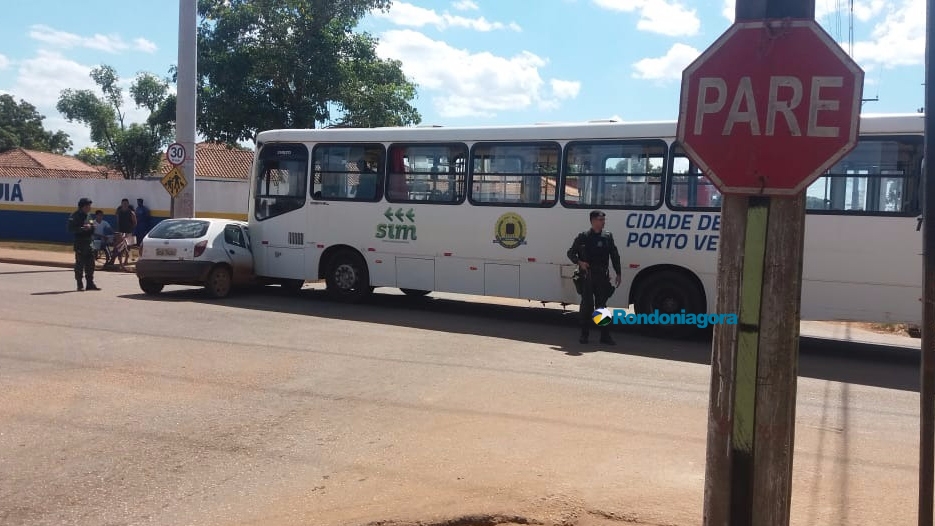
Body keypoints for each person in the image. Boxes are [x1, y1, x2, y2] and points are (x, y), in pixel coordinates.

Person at [567, 210, 621, 344]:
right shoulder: (583, 236)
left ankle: (605, 336)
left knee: (602, 306)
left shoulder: (607, 237)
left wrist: (618, 273)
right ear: (593, 221)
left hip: (602, 276)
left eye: (604, 220)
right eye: (600, 220)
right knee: (587, 306)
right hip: (587, 276)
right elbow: (571, 253)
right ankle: (584, 334)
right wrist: (580, 262)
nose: (603, 222)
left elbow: (614, 255)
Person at [67, 197, 100, 291]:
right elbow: (70, 229)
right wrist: (82, 229)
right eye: (88, 206)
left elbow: (91, 225)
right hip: (80, 243)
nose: (90, 207)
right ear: (83, 206)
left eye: (90, 205)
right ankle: (79, 284)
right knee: (80, 264)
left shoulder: (88, 215)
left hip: (89, 243)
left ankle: (90, 283)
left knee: (91, 264)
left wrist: (92, 227)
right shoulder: (75, 215)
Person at [114, 198, 136, 270]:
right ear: (121, 204)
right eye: (123, 203)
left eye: (126, 203)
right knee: (120, 248)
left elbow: (135, 222)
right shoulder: (119, 212)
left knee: (128, 248)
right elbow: (117, 222)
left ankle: (126, 260)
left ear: (128, 204)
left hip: (129, 232)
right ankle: (120, 263)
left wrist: (130, 229)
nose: (125, 204)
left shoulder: (131, 212)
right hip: (120, 232)